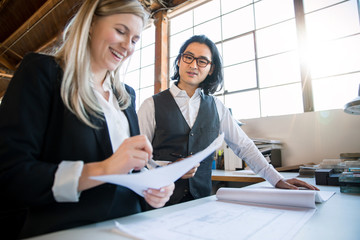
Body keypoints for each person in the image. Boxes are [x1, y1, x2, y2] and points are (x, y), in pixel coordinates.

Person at [0, 0, 174, 238]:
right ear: (91, 24)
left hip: (130, 229)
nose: (127, 46)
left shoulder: (126, 96)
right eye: (121, 31)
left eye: (135, 40)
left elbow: (129, 172)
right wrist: (104, 169)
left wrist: (150, 186)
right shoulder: (43, 73)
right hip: (68, 231)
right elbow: (12, 175)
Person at [138, 34, 318, 206]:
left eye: (202, 61)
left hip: (200, 204)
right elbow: (137, 160)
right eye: (188, 57)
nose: (193, 65)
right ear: (179, 61)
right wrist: (168, 169)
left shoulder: (217, 107)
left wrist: (277, 179)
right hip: (158, 203)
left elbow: (244, 146)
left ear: (211, 69)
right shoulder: (151, 105)